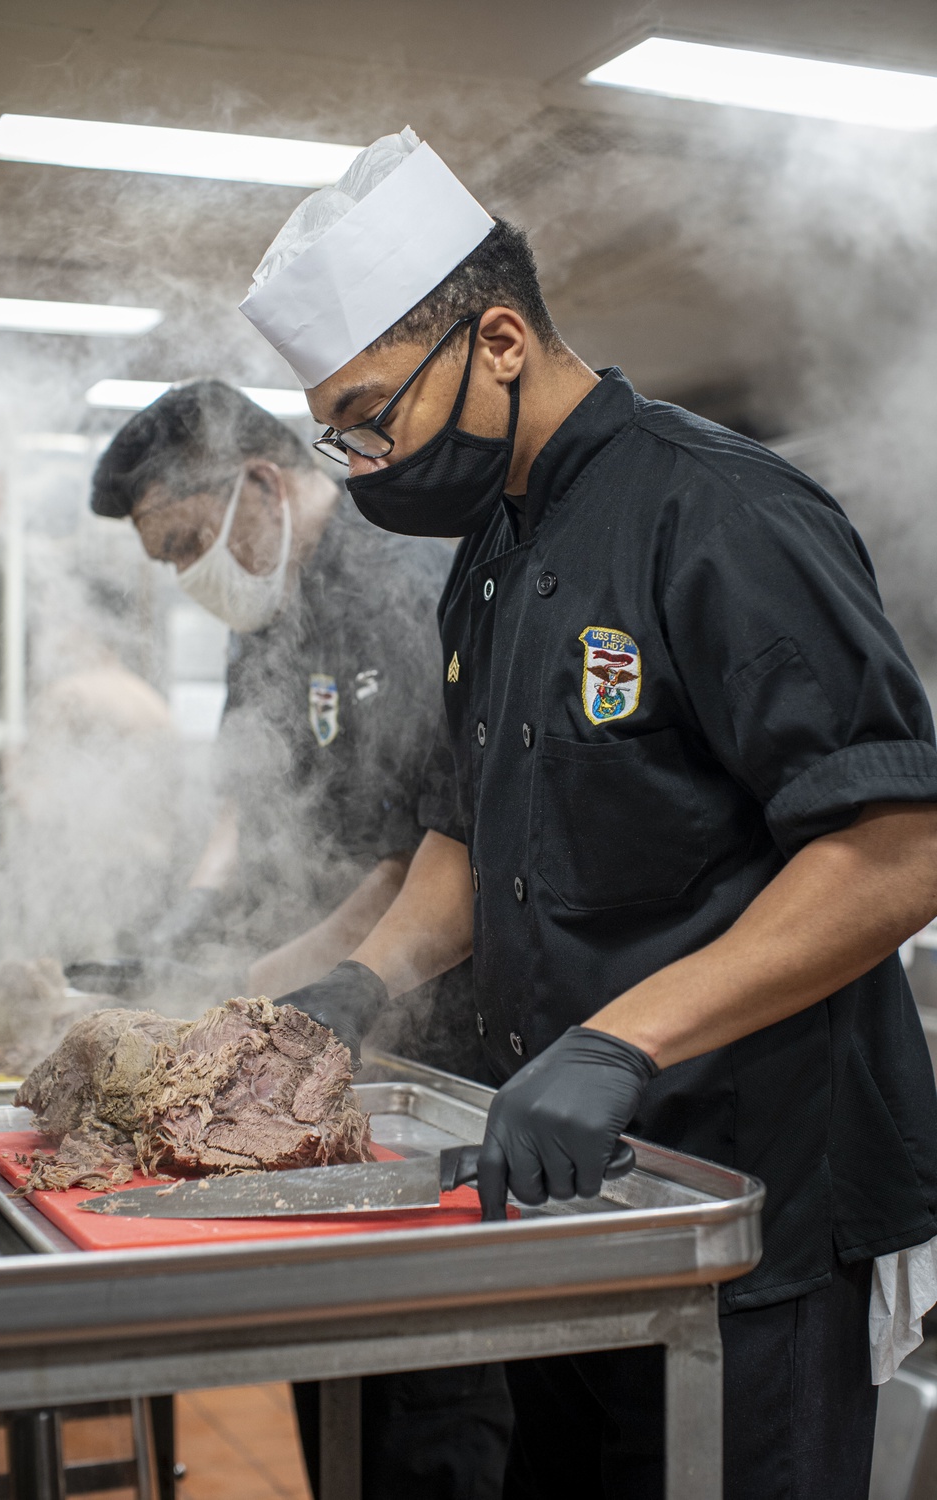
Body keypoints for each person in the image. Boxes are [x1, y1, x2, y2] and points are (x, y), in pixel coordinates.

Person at [239, 126, 937, 1498]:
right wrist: (359, 982)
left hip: (753, 1205)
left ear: (498, 340)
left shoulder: (720, 514)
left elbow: (894, 849)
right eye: (340, 432)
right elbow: (468, 832)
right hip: (573, 1189)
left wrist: (622, 1040)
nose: (364, 461)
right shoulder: (487, 558)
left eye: (374, 415)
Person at [89, 379, 512, 1500]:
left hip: (421, 1031)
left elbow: (417, 860)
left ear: (262, 486)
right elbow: (245, 816)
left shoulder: (406, 580)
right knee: (317, 1347)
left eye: (188, 544)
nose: (190, 579)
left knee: (425, 1381)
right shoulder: (267, 615)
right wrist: (178, 935)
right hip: (313, 1043)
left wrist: (264, 992)